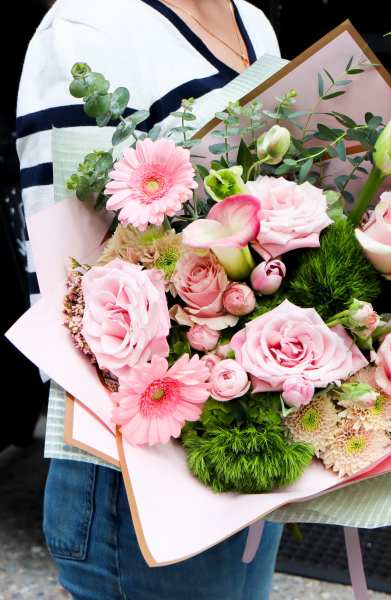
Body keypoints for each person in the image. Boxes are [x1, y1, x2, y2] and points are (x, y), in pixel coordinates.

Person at [16, 1, 283, 598]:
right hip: (140, 461)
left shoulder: (252, 19)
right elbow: (69, 277)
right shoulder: (89, 24)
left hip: (241, 434)